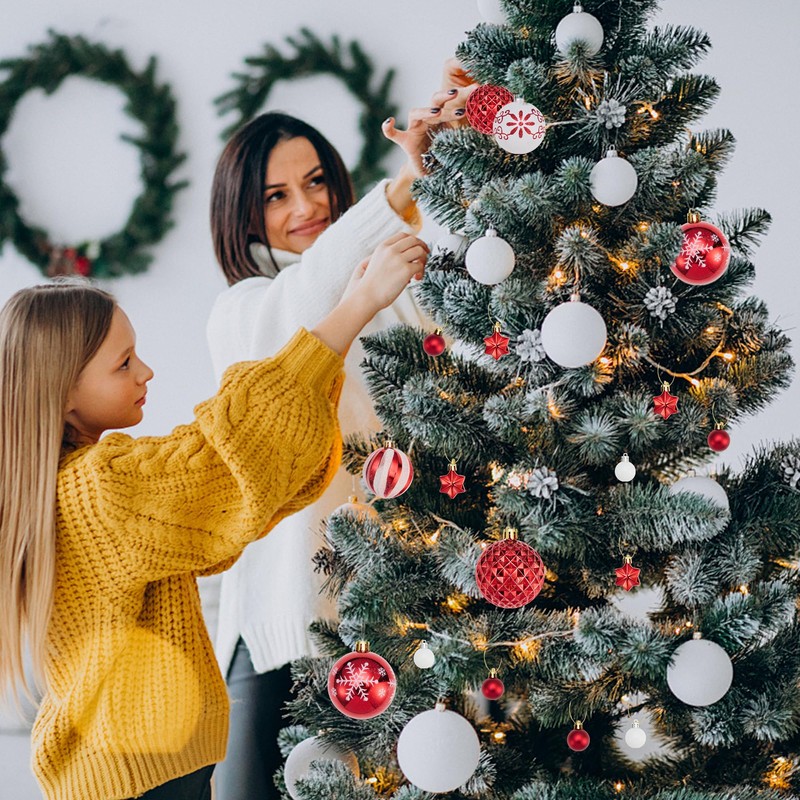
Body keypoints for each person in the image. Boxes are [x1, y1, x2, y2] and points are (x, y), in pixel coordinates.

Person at [0, 235, 427, 800]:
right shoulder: (101, 487)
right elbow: (231, 454)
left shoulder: (58, 487)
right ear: (63, 394)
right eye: (123, 363)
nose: (146, 371)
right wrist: (356, 306)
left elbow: (226, 496)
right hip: (143, 780)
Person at [206, 61, 475, 800]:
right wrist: (402, 188)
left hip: (402, 620)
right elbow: (309, 302)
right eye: (277, 195)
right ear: (242, 214)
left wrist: (461, 151)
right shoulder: (245, 309)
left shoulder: (386, 288)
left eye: (319, 181)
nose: (308, 204)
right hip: (285, 635)